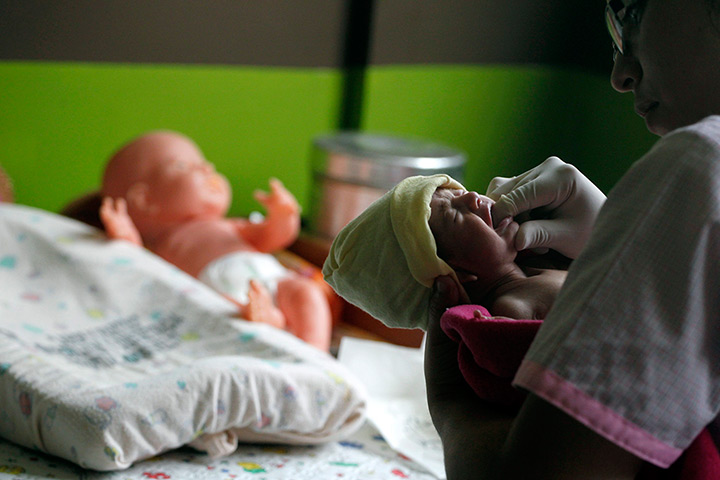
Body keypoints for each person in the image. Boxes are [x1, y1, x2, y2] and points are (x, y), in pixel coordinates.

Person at [424, 0, 720, 477]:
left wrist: (450, 408)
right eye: (450, 216)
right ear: (455, 271)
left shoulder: (698, 168)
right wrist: (619, 245)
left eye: (631, 13)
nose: (620, 74)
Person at [100, 131, 332, 351]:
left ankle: (315, 354)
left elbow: (273, 238)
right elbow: (138, 267)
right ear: (144, 200)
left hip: (272, 281)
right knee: (213, 312)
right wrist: (124, 238)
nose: (206, 168)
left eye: (203, 161)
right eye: (183, 166)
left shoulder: (230, 226)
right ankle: (271, 321)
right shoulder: (161, 246)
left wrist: (284, 215)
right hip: (222, 299)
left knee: (306, 292)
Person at [323, 174, 567, 333]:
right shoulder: (511, 311)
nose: (473, 197)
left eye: (459, 194)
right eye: (455, 215)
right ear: (455, 274)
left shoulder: (542, 264)